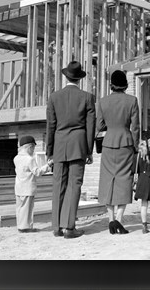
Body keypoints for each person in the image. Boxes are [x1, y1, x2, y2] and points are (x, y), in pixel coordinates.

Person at [46, 61, 96, 239]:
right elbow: (91, 126)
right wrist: (89, 150)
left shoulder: (54, 97)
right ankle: (69, 227)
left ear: (66, 76)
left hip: (59, 145)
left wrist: (49, 152)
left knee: (58, 184)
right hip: (78, 145)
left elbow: (50, 126)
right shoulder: (87, 97)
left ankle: (56, 227)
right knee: (75, 185)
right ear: (79, 79)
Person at [96, 70, 139, 235]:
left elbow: (99, 126)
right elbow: (135, 127)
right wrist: (135, 147)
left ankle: (110, 219)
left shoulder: (102, 101)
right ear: (126, 85)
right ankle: (119, 220)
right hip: (126, 143)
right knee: (124, 180)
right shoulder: (132, 101)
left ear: (111, 85)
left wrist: (111, 125)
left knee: (107, 180)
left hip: (108, 144)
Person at [13, 135, 53, 233]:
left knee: (20, 208)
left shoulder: (16, 158)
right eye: (33, 148)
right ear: (29, 147)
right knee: (28, 209)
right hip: (28, 188)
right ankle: (26, 228)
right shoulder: (30, 159)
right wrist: (48, 165)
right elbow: (37, 172)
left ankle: (20, 226)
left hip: (18, 187)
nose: (33, 151)